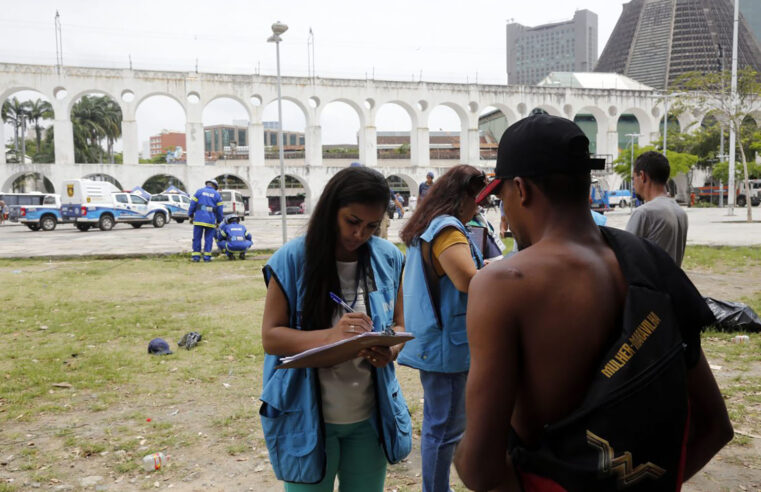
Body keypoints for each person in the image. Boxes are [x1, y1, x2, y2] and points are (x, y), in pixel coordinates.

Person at [454, 114, 732, 491]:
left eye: (501, 198)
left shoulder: (503, 284)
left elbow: (479, 470)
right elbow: (716, 427)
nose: (504, 211)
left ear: (520, 189)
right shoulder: (651, 263)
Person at [260, 166, 412, 491]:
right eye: (352, 222)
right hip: (308, 418)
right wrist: (332, 336)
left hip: (370, 417)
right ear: (331, 211)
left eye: (372, 226)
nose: (360, 235)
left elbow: (399, 324)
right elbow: (271, 338)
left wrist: (391, 349)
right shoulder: (290, 260)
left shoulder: (388, 258)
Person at [397, 165, 486, 492]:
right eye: (475, 199)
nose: (477, 206)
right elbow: (466, 279)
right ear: (462, 196)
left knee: (440, 425)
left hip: (438, 341)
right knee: (444, 428)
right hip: (448, 344)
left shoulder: (429, 225)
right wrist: (504, 273)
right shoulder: (447, 228)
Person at [626, 150, 688, 266]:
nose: (633, 184)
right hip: (672, 283)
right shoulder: (681, 213)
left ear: (642, 176)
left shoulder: (644, 213)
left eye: (633, 178)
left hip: (649, 283)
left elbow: (626, 258)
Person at [188, 179, 224, 262]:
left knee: (197, 238)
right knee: (208, 239)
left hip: (199, 219)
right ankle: (207, 257)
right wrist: (219, 221)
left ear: (207, 184)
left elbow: (192, 204)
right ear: (215, 186)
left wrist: (190, 215)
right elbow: (220, 210)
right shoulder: (217, 195)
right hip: (210, 221)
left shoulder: (199, 192)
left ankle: (196, 257)